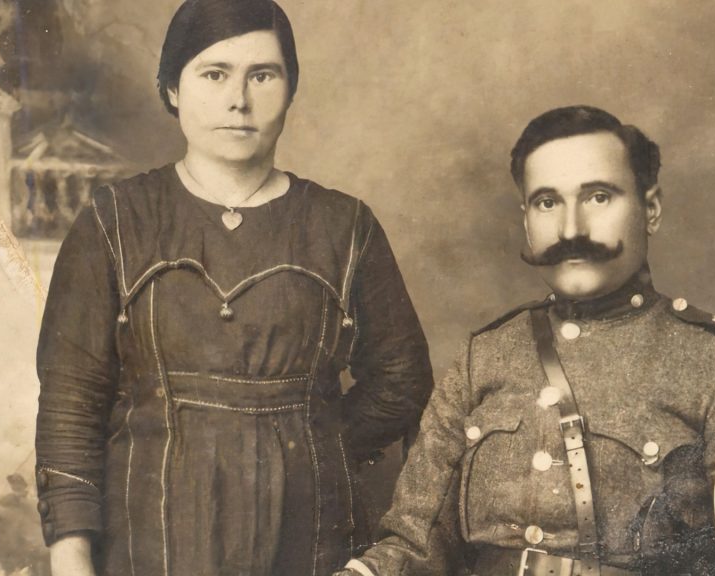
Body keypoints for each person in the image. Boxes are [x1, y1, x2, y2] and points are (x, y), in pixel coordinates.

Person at [337, 106, 715, 575]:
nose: (571, 228)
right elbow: (411, 548)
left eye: (599, 196)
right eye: (547, 202)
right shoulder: (483, 358)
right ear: (527, 221)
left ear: (651, 209)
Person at [33, 1, 434, 575]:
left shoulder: (345, 227)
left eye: (262, 75)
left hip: (310, 544)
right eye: (214, 74)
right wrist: (72, 563)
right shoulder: (114, 221)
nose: (238, 100)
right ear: (173, 88)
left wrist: (310, 446)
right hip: (146, 545)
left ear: (291, 89)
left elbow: (402, 380)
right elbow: (69, 406)